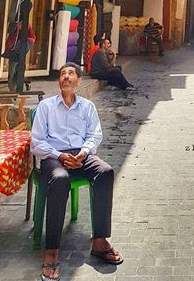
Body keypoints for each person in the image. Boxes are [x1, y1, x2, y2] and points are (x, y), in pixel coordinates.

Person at [31, 63, 123, 281]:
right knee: (60, 179)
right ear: (59, 82)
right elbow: (36, 142)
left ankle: (100, 241)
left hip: (81, 155)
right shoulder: (46, 107)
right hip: (54, 156)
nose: (66, 77)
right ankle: (51, 250)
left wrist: (83, 153)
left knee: (106, 171)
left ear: (78, 81)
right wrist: (60, 156)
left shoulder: (87, 107)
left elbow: (95, 135)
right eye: (62, 74)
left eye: (71, 74)